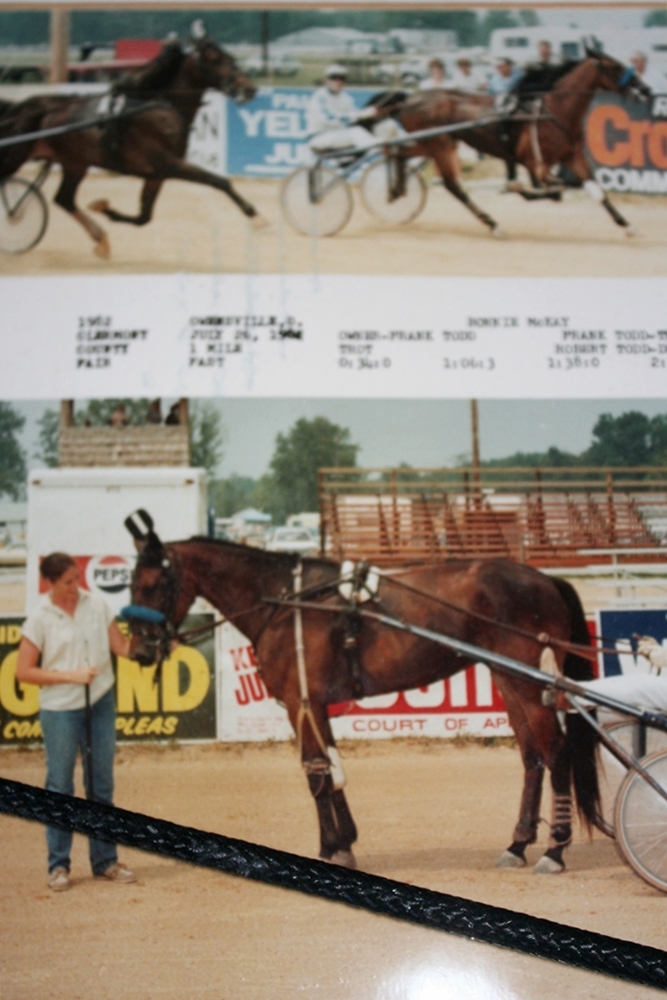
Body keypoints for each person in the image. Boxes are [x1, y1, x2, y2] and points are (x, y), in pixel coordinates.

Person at [16, 553, 137, 891]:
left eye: (77, 578)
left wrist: (155, 644)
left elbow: (123, 648)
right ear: (49, 583)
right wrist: (71, 676)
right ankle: (59, 866)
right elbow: (23, 671)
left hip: (100, 702)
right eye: (68, 582)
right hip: (60, 709)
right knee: (60, 787)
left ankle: (106, 861)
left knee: (101, 786)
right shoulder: (40, 617)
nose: (76, 587)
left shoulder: (96, 605)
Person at [305, 63, 377, 155]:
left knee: (366, 130)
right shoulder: (320, 96)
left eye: (342, 78)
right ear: (326, 80)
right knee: (356, 133)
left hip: (336, 135)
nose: (338, 81)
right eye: (334, 77)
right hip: (318, 136)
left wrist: (371, 114)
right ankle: (376, 154)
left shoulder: (346, 98)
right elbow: (330, 118)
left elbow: (353, 117)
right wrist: (361, 114)